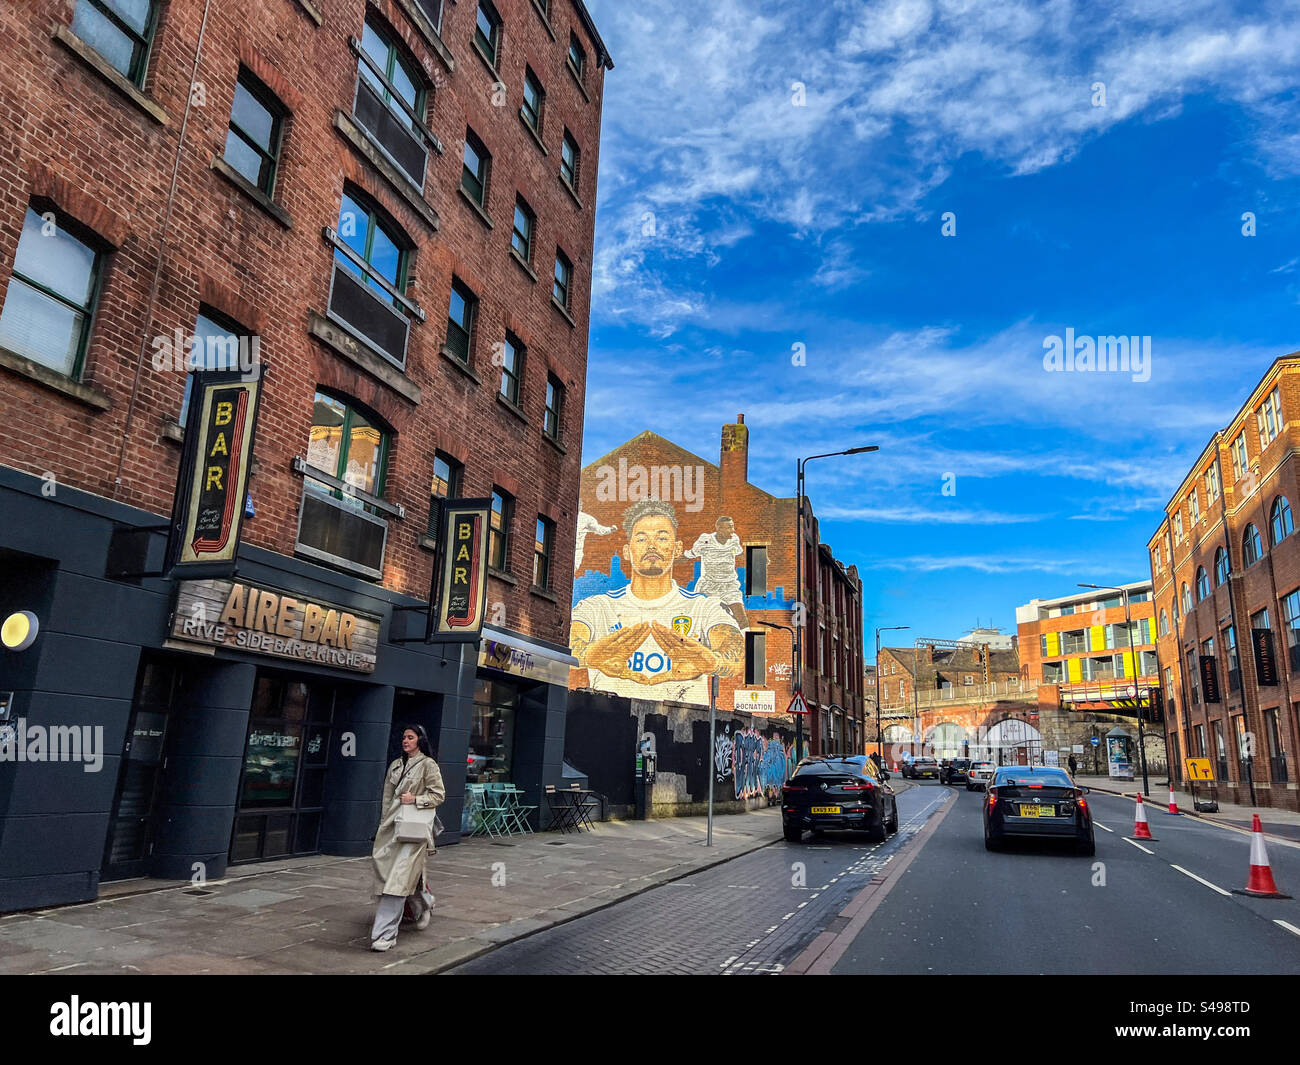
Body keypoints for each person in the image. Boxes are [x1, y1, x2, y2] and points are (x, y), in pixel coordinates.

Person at [570, 499, 743, 705]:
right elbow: (567, 639)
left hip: (684, 732)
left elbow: (736, 650)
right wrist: (589, 655)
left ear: (677, 549)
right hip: (608, 726)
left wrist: (712, 661)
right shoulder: (597, 607)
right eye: (642, 539)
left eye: (662, 538)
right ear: (627, 551)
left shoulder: (704, 607)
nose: (652, 545)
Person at [369, 725, 445, 952]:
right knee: (390, 877)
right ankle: (425, 902)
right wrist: (383, 826)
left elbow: (439, 794)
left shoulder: (428, 765)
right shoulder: (395, 765)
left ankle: (385, 935)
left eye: (410, 737)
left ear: (420, 740)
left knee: (397, 880)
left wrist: (416, 799)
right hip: (390, 830)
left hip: (412, 832)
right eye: (404, 737)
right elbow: (386, 798)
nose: (405, 740)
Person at [684, 516, 749, 629]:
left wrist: (758, 559)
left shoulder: (734, 539)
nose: (732, 530)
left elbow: (740, 554)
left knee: (742, 620)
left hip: (729, 586)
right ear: (719, 528)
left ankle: (747, 644)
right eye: (729, 527)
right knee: (701, 621)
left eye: (732, 527)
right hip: (709, 586)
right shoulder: (705, 540)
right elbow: (690, 554)